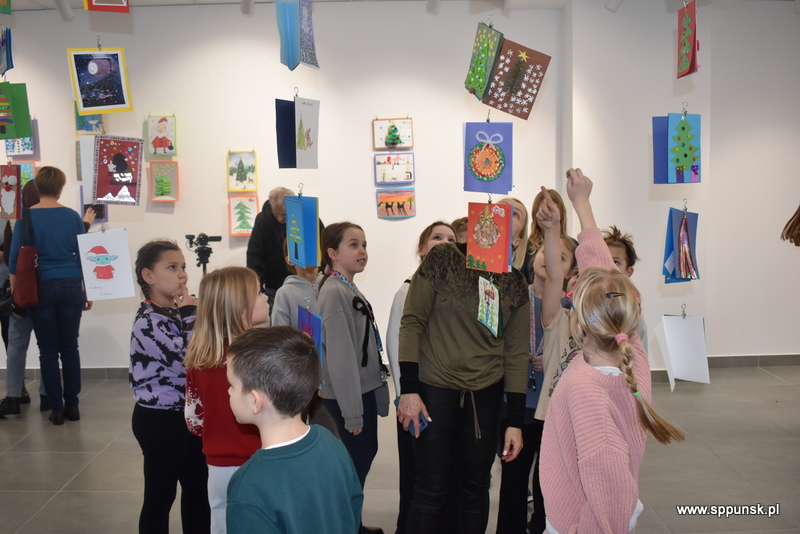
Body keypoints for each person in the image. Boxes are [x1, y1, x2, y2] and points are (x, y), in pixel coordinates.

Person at [540, 168, 685, 534]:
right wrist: (582, 204)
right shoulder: (634, 356)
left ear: (578, 325)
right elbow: (606, 278)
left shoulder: (587, 391)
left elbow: (610, 492)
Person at [397, 226, 530, 533]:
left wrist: (515, 421)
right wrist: (409, 390)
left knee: (476, 486)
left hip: (485, 395)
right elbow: (412, 322)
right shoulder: (442, 259)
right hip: (434, 391)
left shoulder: (514, 282)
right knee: (429, 488)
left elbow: (516, 353)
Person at [225, 327, 363, 534]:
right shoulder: (332, 444)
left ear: (255, 401)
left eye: (231, 385)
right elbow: (353, 508)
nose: (228, 391)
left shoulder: (248, 484)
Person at [496, 199, 578, 534]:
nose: (550, 259)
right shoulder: (515, 295)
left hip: (552, 406)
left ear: (570, 271)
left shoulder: (572, 310)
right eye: (545, 251)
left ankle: (542, 526)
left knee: (549, 480)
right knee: (513, 479)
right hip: (515, 402)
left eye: (562, 257)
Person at [130, 239, 210, 534]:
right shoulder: (148, 321)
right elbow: (190, 361)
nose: (182, 274)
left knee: (198, 490)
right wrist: (192, 314)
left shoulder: (176, 312)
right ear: (148, 276)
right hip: (160, 420)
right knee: (160, 497)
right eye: (172, 267)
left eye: (183, 267)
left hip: (188, 414)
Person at [183, 266, 269, 534]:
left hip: (217, 466)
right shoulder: (259, 357)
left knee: (221, 525)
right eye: (259, 293)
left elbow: (194, 420)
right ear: (242, 310)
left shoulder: (199, 359)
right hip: (257, 463)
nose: (266, 297)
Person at [317, 222, 389, 534]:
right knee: (353, 469)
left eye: (364, 245)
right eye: (353, 244)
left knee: (359, 463)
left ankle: (353, 524)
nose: (362, 251)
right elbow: (340, 357)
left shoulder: (346, 286)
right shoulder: (335, 292)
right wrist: (352, 412)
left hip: (361, 391)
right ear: (332, 253)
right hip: (349, 396)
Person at [385, 221, 456, 534]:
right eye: (437, 237)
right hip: (416, 401)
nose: (445, 242)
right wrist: (405, 396)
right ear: (422, 248)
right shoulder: (407, 291)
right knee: (417, 480)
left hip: (445, 399)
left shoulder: (456, 294)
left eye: (451, 239)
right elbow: (396, 345)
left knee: (442, 478)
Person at [8, 167, 92, 425]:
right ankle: (73, 406)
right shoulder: (72, 216)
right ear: (60, 188)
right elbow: (84, 255)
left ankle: (56, 409)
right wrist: (88, 291)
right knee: (70, 348)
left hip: (40, 287)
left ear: (38, 186)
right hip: (70, 285)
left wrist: (16, 297)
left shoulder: (26, 218)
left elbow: (15, 263)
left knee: (47, 351)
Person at [271, 239, 338, 438]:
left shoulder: (331, 286)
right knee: (293, 433)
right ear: (289, 259)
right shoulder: (285, 293)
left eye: (313, 248)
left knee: (329, 434)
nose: (309, 253)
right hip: (298, 379)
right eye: (302, 249)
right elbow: (277, 336)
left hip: (329, 377)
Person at [245, 187, 294, 309]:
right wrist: (256, 287)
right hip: (274, 284)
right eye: (276, 214)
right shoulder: (263, 220)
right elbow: (254, 255)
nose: (280, 218)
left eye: (284, 215)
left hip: (302, 282)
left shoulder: (307, 218)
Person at [603, 225, 648, 350]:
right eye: (604, 260)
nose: (609, 266)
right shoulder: (587, 303)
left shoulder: (634, 313)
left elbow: (642, 355)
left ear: (628, 272)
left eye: (616, 262)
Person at [498, 197, 534, 283]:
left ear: (517, 241)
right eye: (500, 209)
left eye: (514, 213)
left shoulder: (521, 279)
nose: (504, 213)